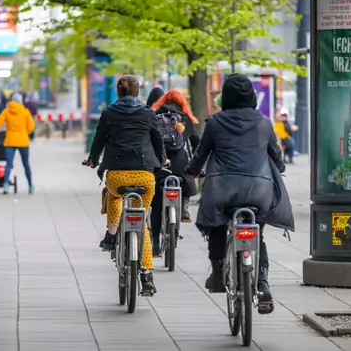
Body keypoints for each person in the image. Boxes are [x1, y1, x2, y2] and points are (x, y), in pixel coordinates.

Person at [185, 74, 286, 308]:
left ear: (226, 96)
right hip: (259, 191)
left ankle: (219, 273)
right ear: (251, 95)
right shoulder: (263, 122)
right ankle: (262, 283)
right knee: (257, 233)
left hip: (223, 190)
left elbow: (201, 154)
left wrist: (192, 172)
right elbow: (276, 156)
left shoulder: (215, 122)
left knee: (217, 225)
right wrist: (279, 168)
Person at [84, 75, 167, 295]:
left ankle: (111, 234)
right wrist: (163, 160)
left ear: (118, 92)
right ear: (137, 92)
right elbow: (157, 139)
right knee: (144, 220)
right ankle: (147, 274)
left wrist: (93, 159)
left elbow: (99, 140)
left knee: (113, 195)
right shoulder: (148, 113)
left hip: (117, 176)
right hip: (144, 177)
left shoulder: (109, 112)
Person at [150, 89, 201, 255]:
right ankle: (183, 208)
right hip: (180, 165)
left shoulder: (154, 116)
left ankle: (156, 243)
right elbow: (197, 143)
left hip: (160, 165)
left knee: (157, 202)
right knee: (185, 179)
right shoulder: (185, 118)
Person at [0, 93, 35, 194]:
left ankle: (6, 185)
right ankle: (30, 185)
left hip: (10, 140)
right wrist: (24, 133)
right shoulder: (25, 112)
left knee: (8, 164)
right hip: (23, 141)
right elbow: (31, 127)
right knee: (26, 164)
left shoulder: (7, 111)